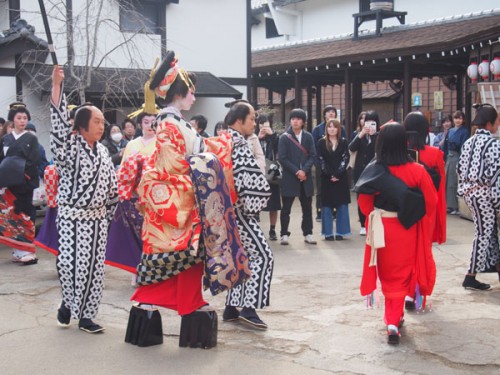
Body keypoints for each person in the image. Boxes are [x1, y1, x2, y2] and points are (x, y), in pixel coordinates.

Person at [125, 52, 246, 349]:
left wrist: (222, 144)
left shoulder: (175, 121)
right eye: (190, 89)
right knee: (184, 257)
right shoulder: (168, 123)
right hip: (177, 197)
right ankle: (177, 302)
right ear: (179, 92)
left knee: (187, 259)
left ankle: (183, 302)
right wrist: (222, 149)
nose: (194, 95)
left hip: (185, 195)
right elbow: (172, 167)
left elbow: (198, 150)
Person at [355, 122, 437, 345]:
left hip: (382, 227)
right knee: (403, 274)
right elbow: (431, 202)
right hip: (408, 229)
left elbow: (364, 203)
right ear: (405, 143)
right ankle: (394, 318)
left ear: (380, 143)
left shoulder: (373, 169)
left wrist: (375, 216)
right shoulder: (417, 170)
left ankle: (392, 321)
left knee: (387, 274)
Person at [51, 66, 118, 333]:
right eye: (97, 121)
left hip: (98, 219)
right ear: (81, 126)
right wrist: (57, 87)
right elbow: (57, 128)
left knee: (94, 271)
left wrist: (111, 215)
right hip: (72, 217)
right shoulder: (68, 147)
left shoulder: (102, 150)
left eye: (103, 121)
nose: (102, 126)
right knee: (70, 266)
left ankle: (87, 316)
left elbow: (111, 186)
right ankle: (69, 302)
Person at [223, 101, 273, 329]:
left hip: (224, 211)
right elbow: (248, 181)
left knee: (238, 258)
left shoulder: (221, 140)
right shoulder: (239, 142)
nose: (255, 122)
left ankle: (232, 307)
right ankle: (248, 308)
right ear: (238, 121)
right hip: (241, 210)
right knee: (262, 256)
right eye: (251, 118)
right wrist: (259, 199)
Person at [105, 109, 157, 278]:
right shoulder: (132, 144)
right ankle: (137, 269)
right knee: (136, 233)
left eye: (153, 121)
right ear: (140, 125)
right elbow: (123, 170)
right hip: (134, 196)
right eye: (146, 122)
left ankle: (153, 269)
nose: (150, 125)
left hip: (155, 196)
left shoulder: (162, 143)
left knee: (153, 234)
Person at [457, 104, 500, 291]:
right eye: (497, 122)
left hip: (470, 193)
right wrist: (498, 203)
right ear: (490, 123)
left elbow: (460, 169)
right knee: (484, 234)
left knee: (488, 233)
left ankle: (493, 268)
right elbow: (496, 175)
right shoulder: (493, 144)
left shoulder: (468, 142)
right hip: (485, 194)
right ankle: (470, 275)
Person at [0, 103, 41, 264]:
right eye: (19, 118)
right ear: (13, 120)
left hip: (24, 182)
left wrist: (22, 173)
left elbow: (34, 160)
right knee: (11, 215)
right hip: (9, 183)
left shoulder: (31, 138)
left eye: (25, 118)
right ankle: (18, 250)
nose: (22, 121)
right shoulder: (5, 139)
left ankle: (28, 250)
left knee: (24, 214)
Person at [278, 108, 317, 245]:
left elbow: (313, 156)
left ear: (303, 122)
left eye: (299, 119)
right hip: (290, 177)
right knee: (286, 208)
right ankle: (284, 234)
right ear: (290, 121)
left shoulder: (308, 137)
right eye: (293, 118)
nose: (295, 121)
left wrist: (304, 171)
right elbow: (282, 158)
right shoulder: (284, 137)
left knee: (307, 208)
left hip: (305, 179)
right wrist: (297, 171)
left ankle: (308, 233)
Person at [317, 119, 351, 241]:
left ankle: (342, 232)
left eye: (334, 127)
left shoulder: (343, 142)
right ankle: (328, 233)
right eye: (329, 126)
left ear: (338, 129)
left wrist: (338, 173)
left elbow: (345, 158)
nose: (332, 129)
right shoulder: (321, 142)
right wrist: (330, 174)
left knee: (342, 205)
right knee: (326, 206)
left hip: (341, 178)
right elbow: (320, 159)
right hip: (326, 178)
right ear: (326, 129)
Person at [349, 110, 380, 236]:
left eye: (372, 122)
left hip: (375, 171)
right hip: (360, 172)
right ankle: (363, 224)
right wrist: (361, 135)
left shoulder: (380, 135)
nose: (368, 124)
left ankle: (373, 223)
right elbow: (351, 148)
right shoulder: (358, 135)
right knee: (361, 198)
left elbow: (380, 150)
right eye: (366, 121)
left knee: (375, 198)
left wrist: (374, 136)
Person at [312, 106, 340, 222]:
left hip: (336, 164)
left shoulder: (340, 128)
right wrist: (317, 163)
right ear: (324, 115)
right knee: (321, 188)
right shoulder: (318, 129)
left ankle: (334, 211)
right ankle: (320, 211)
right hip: (321, 163)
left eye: (333, 112)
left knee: (334, 188)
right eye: (328, 112)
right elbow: (313, 148)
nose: (331, 113)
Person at [257, 114, 281, 241]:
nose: (263, 126)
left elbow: (279, 150)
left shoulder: (275, 136)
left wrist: (272, 135)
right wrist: (258, 138)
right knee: (256, 203)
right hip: (257, 174)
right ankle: (257, 229)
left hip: (272, 174)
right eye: (261, 124)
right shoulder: (254, 137)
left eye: (265, 123)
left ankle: (272, 229)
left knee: (274, 204)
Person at [445, 110, 469, 215]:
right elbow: (445, 146)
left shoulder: (465, 132)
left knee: (454, 182)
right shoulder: (450, 131)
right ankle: (449, 205)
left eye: (460, 118)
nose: (457, 120)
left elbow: (464, 147)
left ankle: (455, 206)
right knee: (447, 181)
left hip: (457, 157)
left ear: (463, 120)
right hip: (449, 158)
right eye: (456, 118)